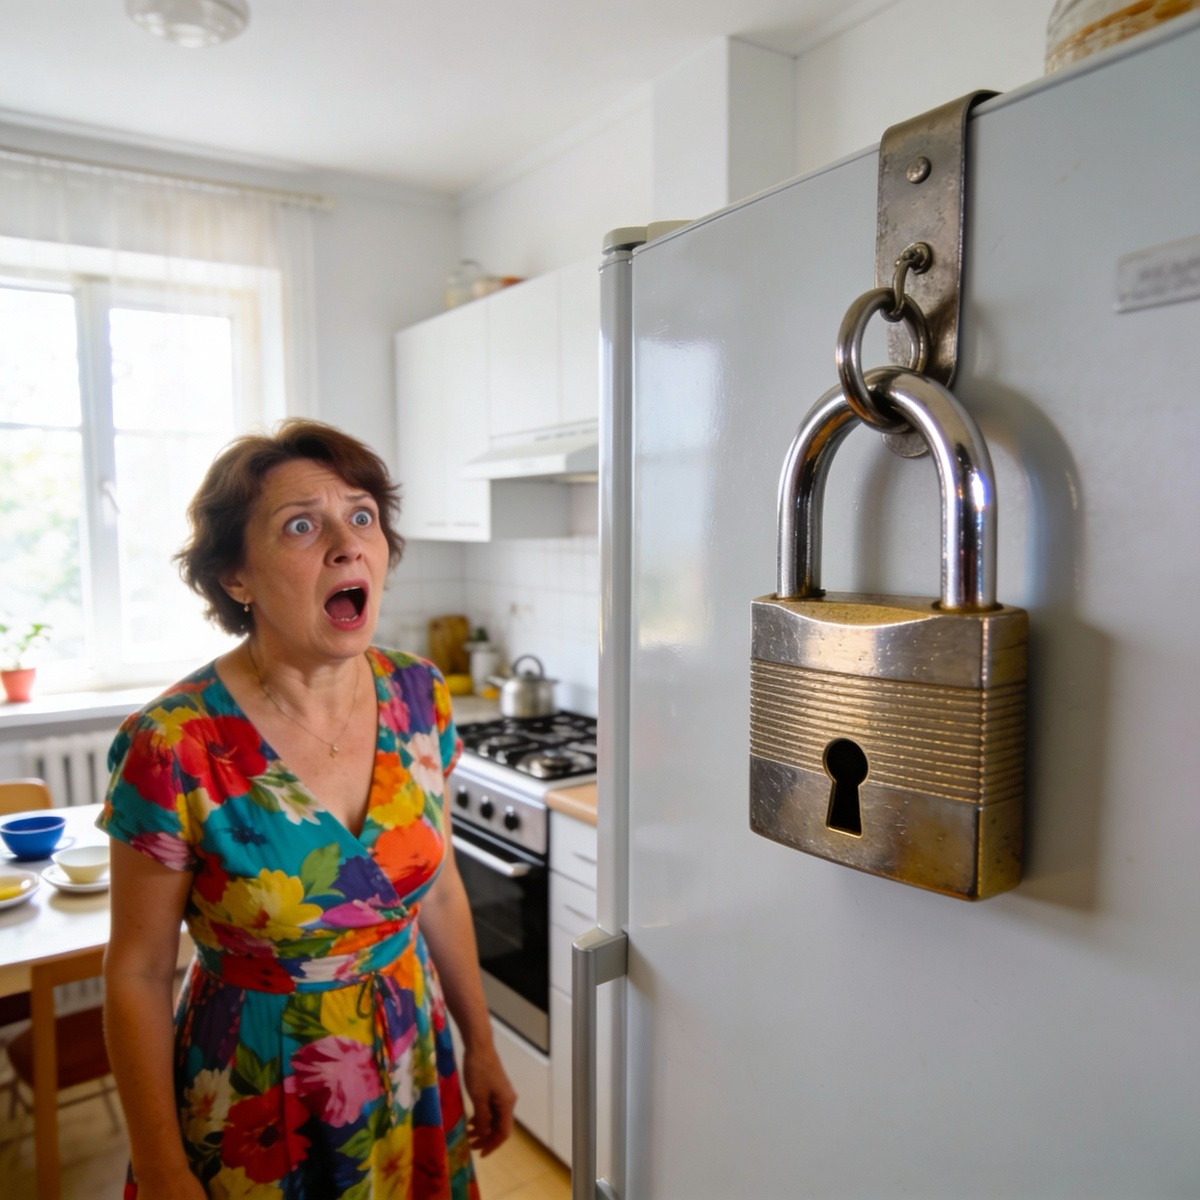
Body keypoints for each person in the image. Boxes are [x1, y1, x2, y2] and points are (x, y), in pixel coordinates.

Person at [98, 419, 515, 1199]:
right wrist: (159, 1166)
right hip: (256, 1086)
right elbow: (139, 971)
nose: (348, 545)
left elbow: (438, 890)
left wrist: (482, 1044)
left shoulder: (419, 694)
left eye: (362, 516)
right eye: (301, 525)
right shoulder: (173, 743)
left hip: (409, 1060)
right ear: (237, 577)